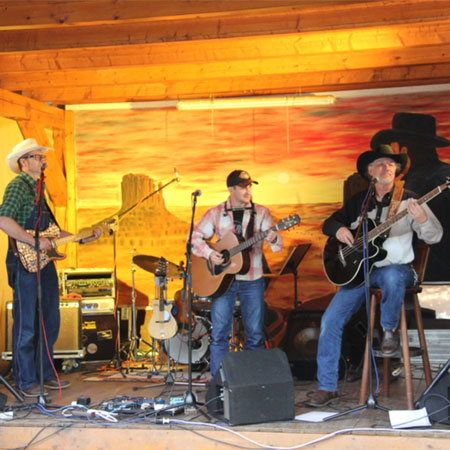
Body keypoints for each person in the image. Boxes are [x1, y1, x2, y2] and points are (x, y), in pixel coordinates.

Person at [306, 145, 443, 407]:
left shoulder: (409, 199)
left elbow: (434, 236)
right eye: (381, 164)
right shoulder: (359, 200)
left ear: (397, 171)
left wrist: (423, 219)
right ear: (370, 172)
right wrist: (339, 232)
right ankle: (327, 387)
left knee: (392, 277)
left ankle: (388, 330)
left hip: (397, 270)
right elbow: (329, 223)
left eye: (391, 165)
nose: (387, 168)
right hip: (361, 274)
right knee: (330, 321)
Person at [0, 138, 100, 398]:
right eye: (37, 157)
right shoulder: (18, 186)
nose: (43, 161)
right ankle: (25, 380)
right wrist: (33, 241)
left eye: (42, 157)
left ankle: (44, 375)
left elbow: (51, 233)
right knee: (27, 324)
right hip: (23, 261)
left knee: (50, 320)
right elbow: (3, 219)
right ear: (23, 162)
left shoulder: (38, 189)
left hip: (42, 262)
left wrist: (82, 236)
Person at [191, 170, 283, 377]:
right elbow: (194, 239)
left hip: (253, 279)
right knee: (220, 333)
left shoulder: (262, 212)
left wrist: (274, 237)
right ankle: (219, 383)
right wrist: (210, 254)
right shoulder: (215, 213)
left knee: (255, 334)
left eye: (250, 186)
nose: (247, 190)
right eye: (243, 187)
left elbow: (277, 246)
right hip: (223, 281)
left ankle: (252, 380)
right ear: (231, 189)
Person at [370, 112, 450, 282]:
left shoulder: (416, 184)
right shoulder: (443, 173)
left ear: (404, 151)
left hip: (432, 273)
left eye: (394, 151)